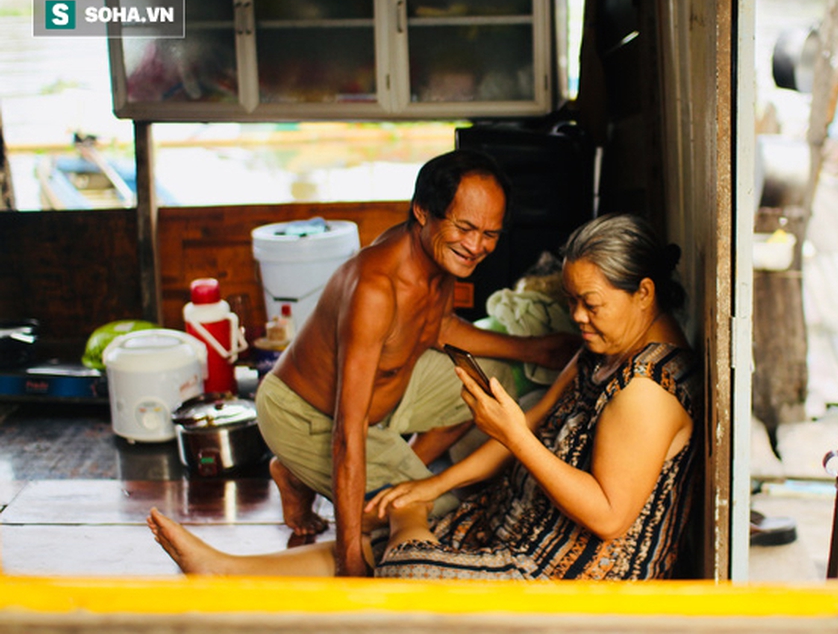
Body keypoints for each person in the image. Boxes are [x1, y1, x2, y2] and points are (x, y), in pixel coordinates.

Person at [148, 213, 702, 580]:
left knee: (411, 558)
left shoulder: (649, 391)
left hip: (574, 575)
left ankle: (385, 541)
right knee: (419, 515)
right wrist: (433, 481)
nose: (577, 317)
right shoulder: (607, 346)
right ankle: (230, 571)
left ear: (644, 293)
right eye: (572, 301)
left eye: (591, 304)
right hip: (534, 526)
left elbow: (608, 518)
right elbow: (533, 418)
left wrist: (510, 435)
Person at [255, 149, 578, 577]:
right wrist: (347, 559)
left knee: (490, 380)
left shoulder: (436, 254)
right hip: (309, 415)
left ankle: (381, 477)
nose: (477, 246)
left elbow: (437, 325)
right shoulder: (374, 288)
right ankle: (319, 476)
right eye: (465, 227)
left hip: (385, 397)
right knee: (437, 509)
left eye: (490, 233)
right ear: (423, 211)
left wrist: (534, 349)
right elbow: (347, 433)